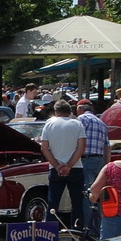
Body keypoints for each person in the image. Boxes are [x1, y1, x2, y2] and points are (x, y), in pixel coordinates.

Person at [39, 99, 87, 232]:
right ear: (70, 111)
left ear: (56, 111)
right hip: (76, 167)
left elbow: (44, 148)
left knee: (53, 203)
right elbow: (81, 147)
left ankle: (49, 234)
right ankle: (77, 235)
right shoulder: (77, 124)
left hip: (55, 168)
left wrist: (57, 165)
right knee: (77, 203)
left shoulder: (49, 124)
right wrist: (69, 165)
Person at [75, 99, 110, 241]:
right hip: (99, 160)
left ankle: (88, 230)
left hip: (86, 159)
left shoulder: (81, 120)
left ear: (80, 109)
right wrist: (107, 165)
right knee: (99, 196)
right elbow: (107, 147)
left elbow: (77, 140)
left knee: (88, 195)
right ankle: (99, 227)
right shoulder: (101, 123)